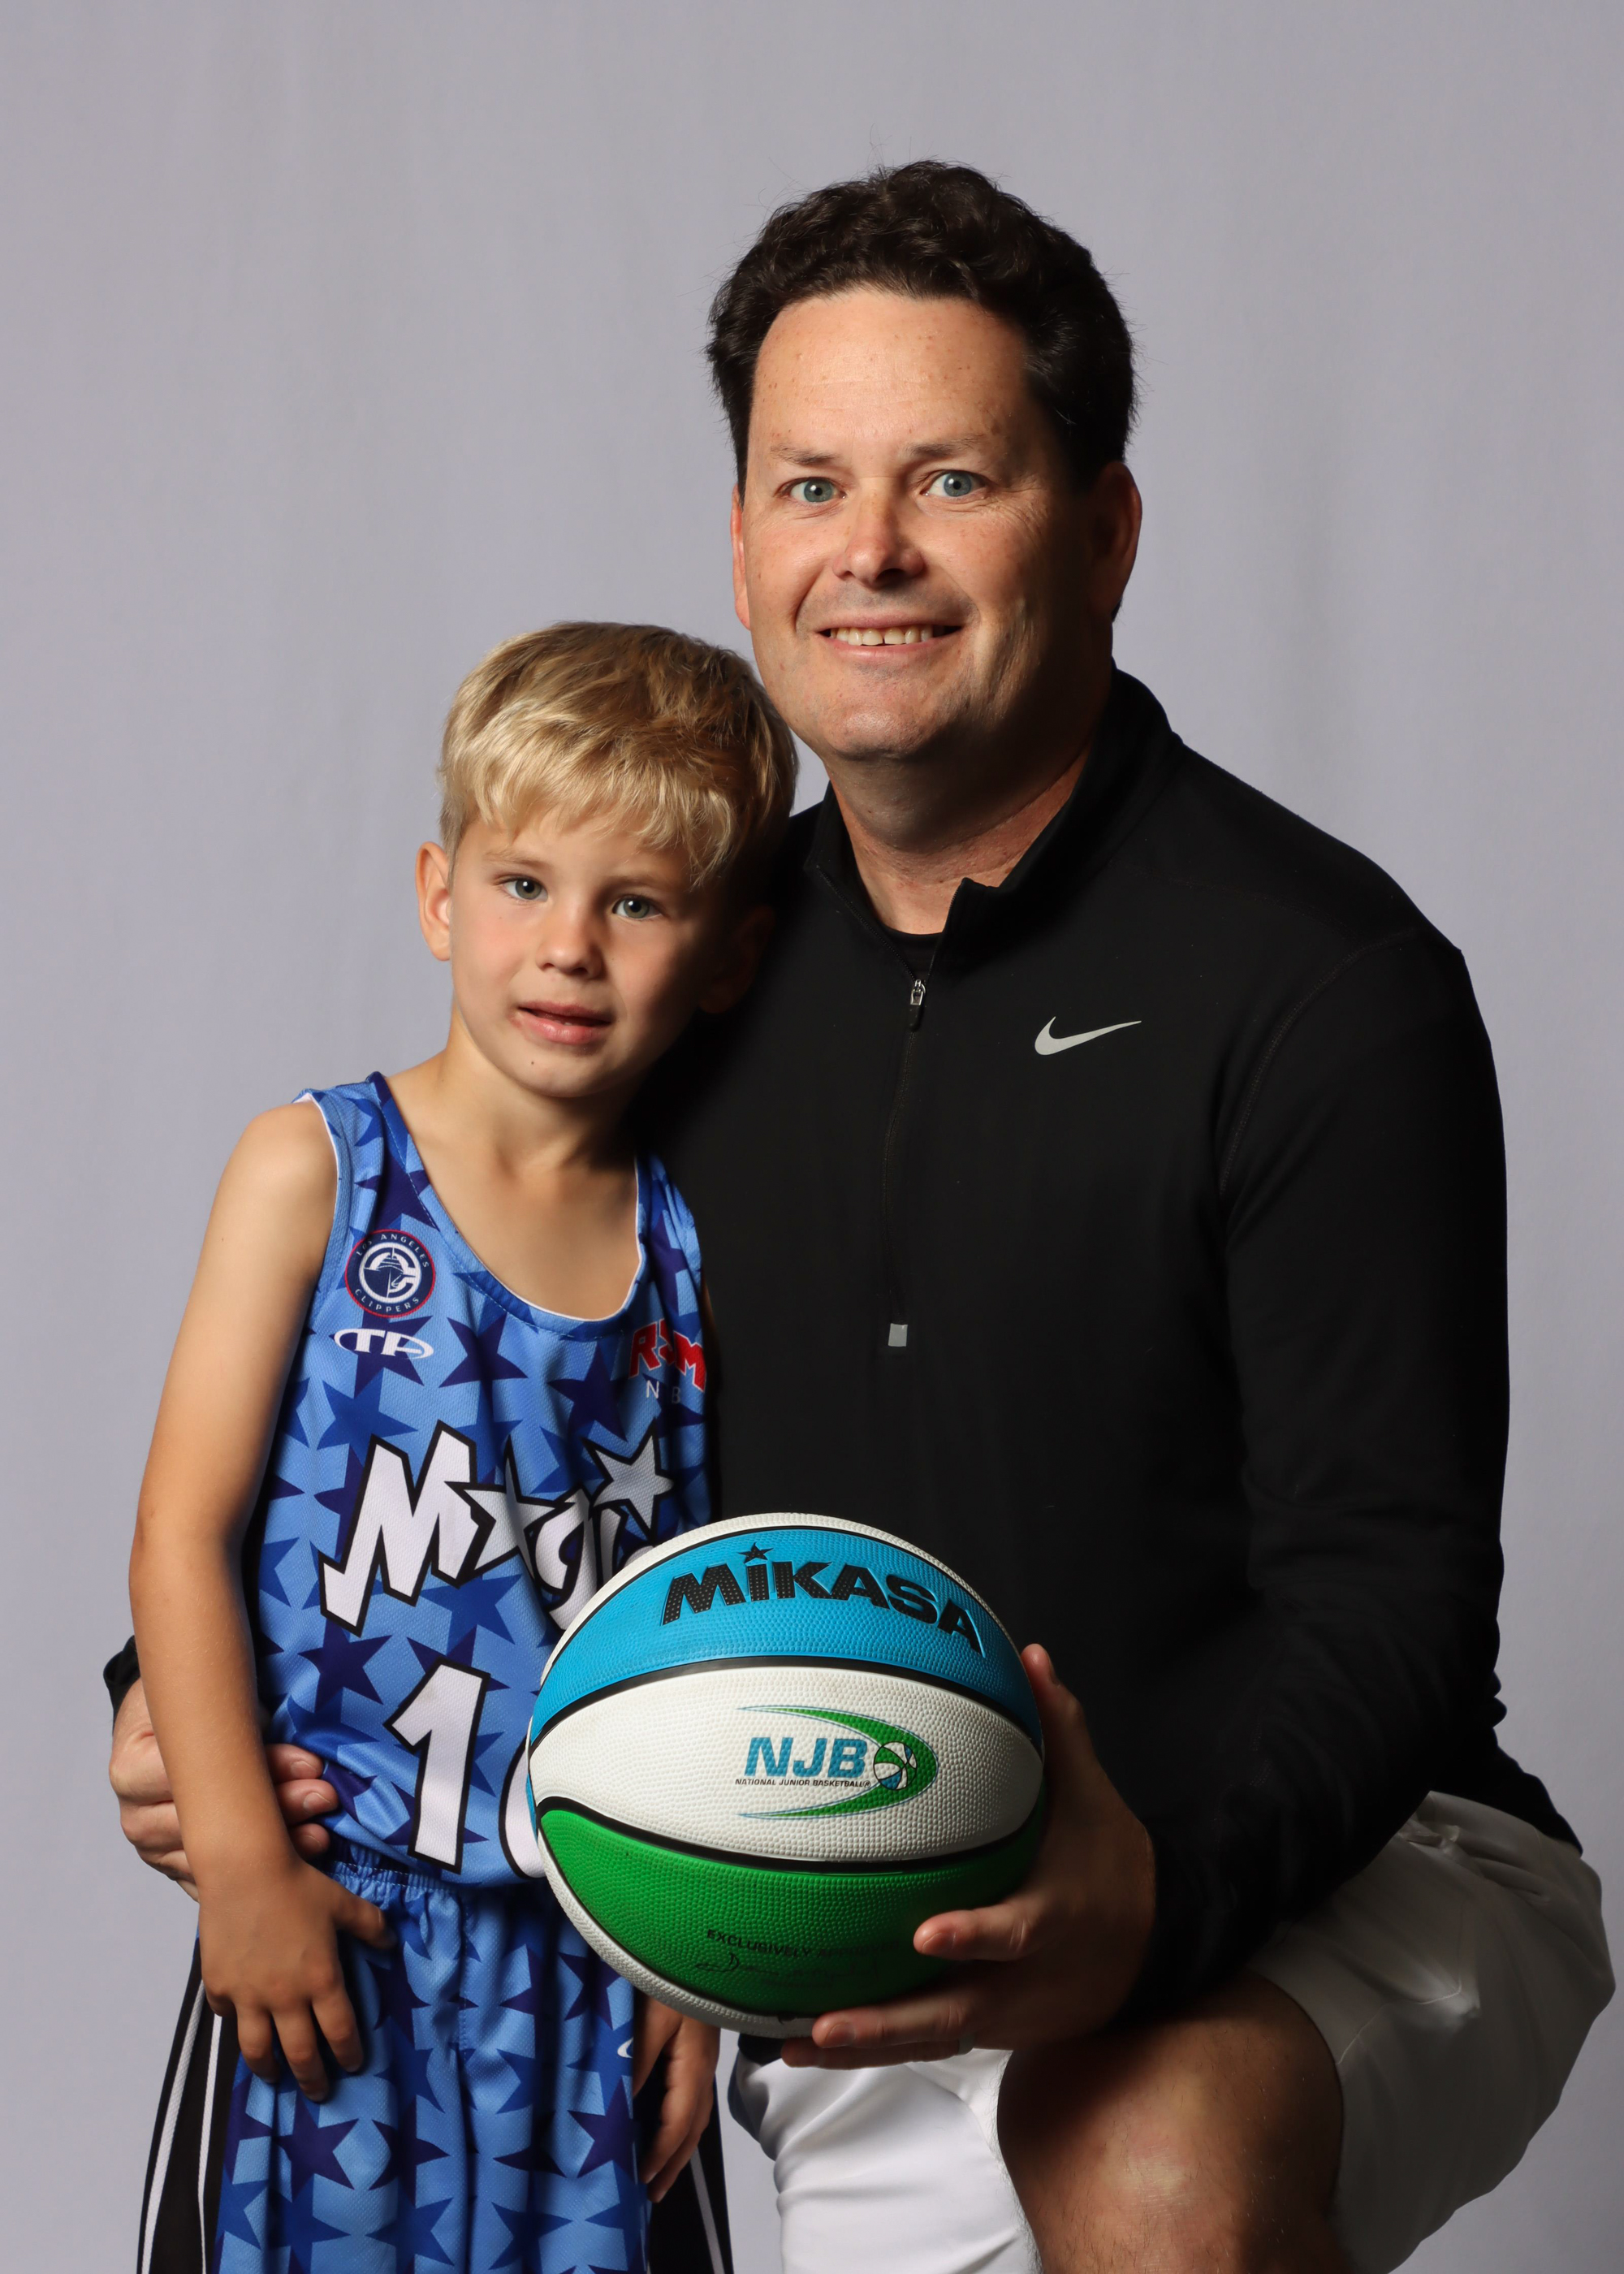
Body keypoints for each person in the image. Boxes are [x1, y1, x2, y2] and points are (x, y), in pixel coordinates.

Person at [113, 164, 1613, 2274]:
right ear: (742, 543)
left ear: (1105, 530)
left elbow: (1391, 1603)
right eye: (810, 484)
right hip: (843, 1872)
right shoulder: (678, 974)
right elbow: (450, 1382)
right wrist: (189, 1695)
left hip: (1326, 1861)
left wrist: (1156, 1902)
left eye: (952, 480)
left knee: (1143, 2150)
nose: (871, 550)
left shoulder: (1319, 983)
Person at [122, 621, 793, 2273]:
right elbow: (183, 1534)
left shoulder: (696, 1249)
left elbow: (713, 1624)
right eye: (525, 884)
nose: (568, 947)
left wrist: (695, 1957)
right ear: (440, 895)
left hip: (595, 1956)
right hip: (336, 1927)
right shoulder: (317, 1170)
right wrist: (240, 1864)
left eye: (635, 904)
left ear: (728, 954)